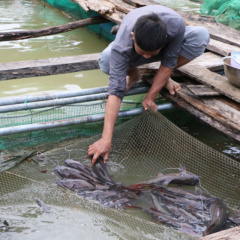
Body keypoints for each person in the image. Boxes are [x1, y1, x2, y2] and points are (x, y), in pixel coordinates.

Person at [88, 4, 210, 164]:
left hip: (168, 43)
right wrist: (106, 139)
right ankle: (134, 75)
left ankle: (163, 76)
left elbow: (170, 60)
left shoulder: (176, 25)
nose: (146, 58)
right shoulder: (123, 44)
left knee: (201, 35)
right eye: (142, 52)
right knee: (106, 61)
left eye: (151, 54)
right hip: (129, 46)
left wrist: (150, 97)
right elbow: (115, 92)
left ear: (165, 40)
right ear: (133, 37)